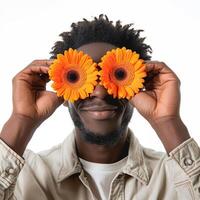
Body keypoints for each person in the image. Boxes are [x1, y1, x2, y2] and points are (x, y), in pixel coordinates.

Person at [0, 14, 199, 200]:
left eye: (118, 75)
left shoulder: (175, 176)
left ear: (140, 84)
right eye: (76, 77)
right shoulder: (28, 175)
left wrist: (167, 121)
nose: (100, 92)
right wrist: (22, 119)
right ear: (63, 87)